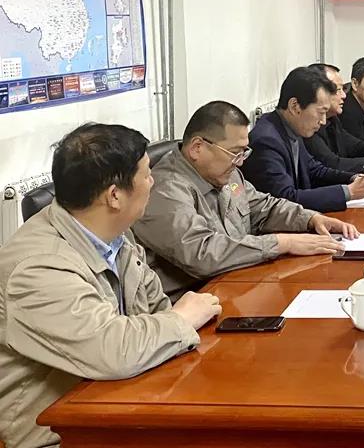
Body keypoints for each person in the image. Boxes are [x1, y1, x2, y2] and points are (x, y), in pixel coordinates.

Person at [0, 123, 221, 448]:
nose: (153, 182)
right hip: (59, 434)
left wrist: (174, 322)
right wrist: (182, 319)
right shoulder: (38, 268)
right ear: (115, 195)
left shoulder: (114, 234)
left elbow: (155, 307)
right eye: (147, 175)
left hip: (122, 401)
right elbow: (112, 350)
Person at [134, 101, 361, 301]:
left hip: (237, 284)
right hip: (193, 301)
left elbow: (262, 207)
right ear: (197, 148)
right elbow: (201, 253)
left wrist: (310, 219)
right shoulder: (165, 189)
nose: (241, 162)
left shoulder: (227, 173)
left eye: (243, 152)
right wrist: (281, 243)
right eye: (235, 152)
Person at [242, 67, 364, 213]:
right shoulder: (267, 140)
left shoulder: (291, 126)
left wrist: (355, 179)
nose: (323, 121)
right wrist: (349, 192)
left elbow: (315, 169)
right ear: (295, 106)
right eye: (321, 112)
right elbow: (285, 199)